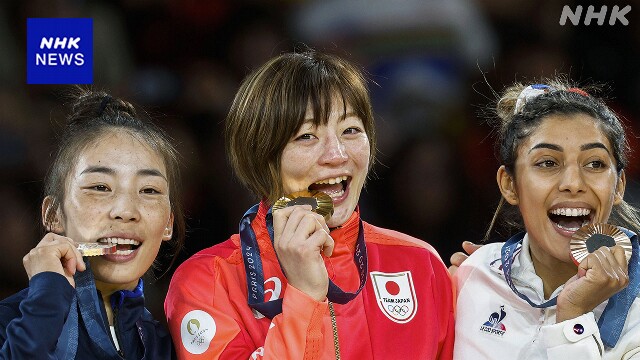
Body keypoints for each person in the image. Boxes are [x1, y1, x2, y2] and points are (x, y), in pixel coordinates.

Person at [164, 49, 455, 359]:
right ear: (261, 157)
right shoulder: (208, 281)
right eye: (307, 136)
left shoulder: (420, 264)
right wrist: (303, 296)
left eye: (351, 131)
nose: (338, 155)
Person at [453, 79, 640, 359]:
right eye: (548, 163)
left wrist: (573, 318)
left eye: (595, 163)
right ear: (510, 184)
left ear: (619, 186)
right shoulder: (470, 279)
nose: (573, 183)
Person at [0, 89, 185, 359]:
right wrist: (47, 302)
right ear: (54, 214)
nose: (125, 211)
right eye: (100, 187)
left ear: (168, 223)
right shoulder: (9, 323)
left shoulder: (171, 346)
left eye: (149, 191)